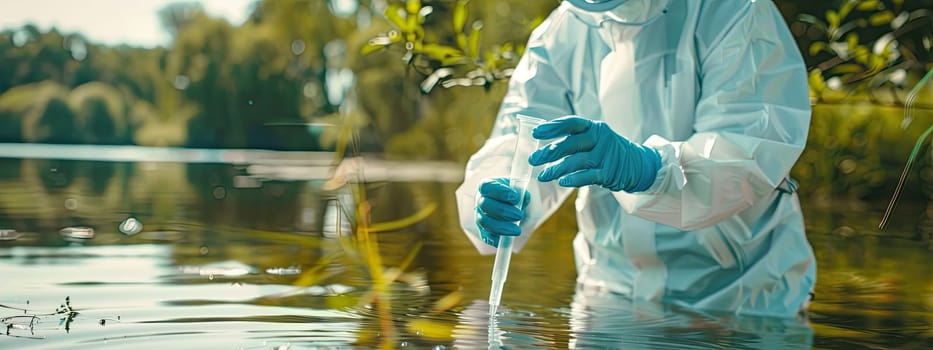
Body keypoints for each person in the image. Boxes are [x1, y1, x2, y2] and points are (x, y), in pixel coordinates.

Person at [455, 0, 817, 318]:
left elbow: (749, 149)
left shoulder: (733, 10)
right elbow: (519, 143)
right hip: (606, 302)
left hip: (741, 305)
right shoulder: (563, 32)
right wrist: (500, 196)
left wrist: (649, 170)